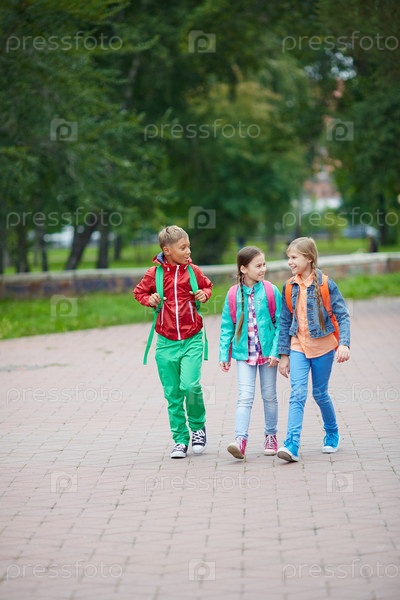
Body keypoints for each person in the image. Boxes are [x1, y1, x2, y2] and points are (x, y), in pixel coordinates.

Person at [133, 225, 213, 459]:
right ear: (167, 250)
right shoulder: (154, 274)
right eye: (183, 247)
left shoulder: (193, 271)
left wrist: (204, 294)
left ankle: (198, 427)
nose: (188, 251)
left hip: (192, 338)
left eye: (188, 246)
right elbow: (139, 293)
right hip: (165, 343)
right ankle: (180, 439)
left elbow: (207, 286)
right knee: (173, 394)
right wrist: (150, 299)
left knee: (190, 385)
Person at [277, 237, 350, 463]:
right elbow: (284, 321)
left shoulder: (326, 284)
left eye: (294, 257)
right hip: (298, 346)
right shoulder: (289, 286)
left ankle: (332, 432)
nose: (290, 262)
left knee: (320, 393)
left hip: (323, 347)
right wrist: (284, 355)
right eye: (289, 257)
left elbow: (343, 315)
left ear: (308, 258)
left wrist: (344, 343)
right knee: (297, 393)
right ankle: (292, 443)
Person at [219, 246, 281, 459]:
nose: (263, 269)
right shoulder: (233, 294)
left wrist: (276, 352)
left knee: (269, 396)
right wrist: (224, 354)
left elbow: (280, 323)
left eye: (264, 264)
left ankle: (271, 436)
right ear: (243, 269)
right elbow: (227, 326)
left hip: (268, 355)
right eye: (258, 265)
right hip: (244, 355)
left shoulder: (271, 290)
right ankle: (240, 440)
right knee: (244, 397)